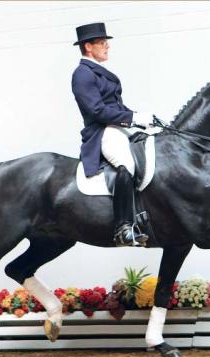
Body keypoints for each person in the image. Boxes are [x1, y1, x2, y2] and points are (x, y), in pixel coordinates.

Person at [71, 22, 153, 247]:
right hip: (101, 131)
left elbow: (115, 107)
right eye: (102, 43)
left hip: (117, 127)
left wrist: (139, 117)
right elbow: (96, 110)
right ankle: (124, 228)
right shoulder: (82, 74)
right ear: (88, 47)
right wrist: (132, 118)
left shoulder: (99, 71)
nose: (107, 47)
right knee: (126, 165)